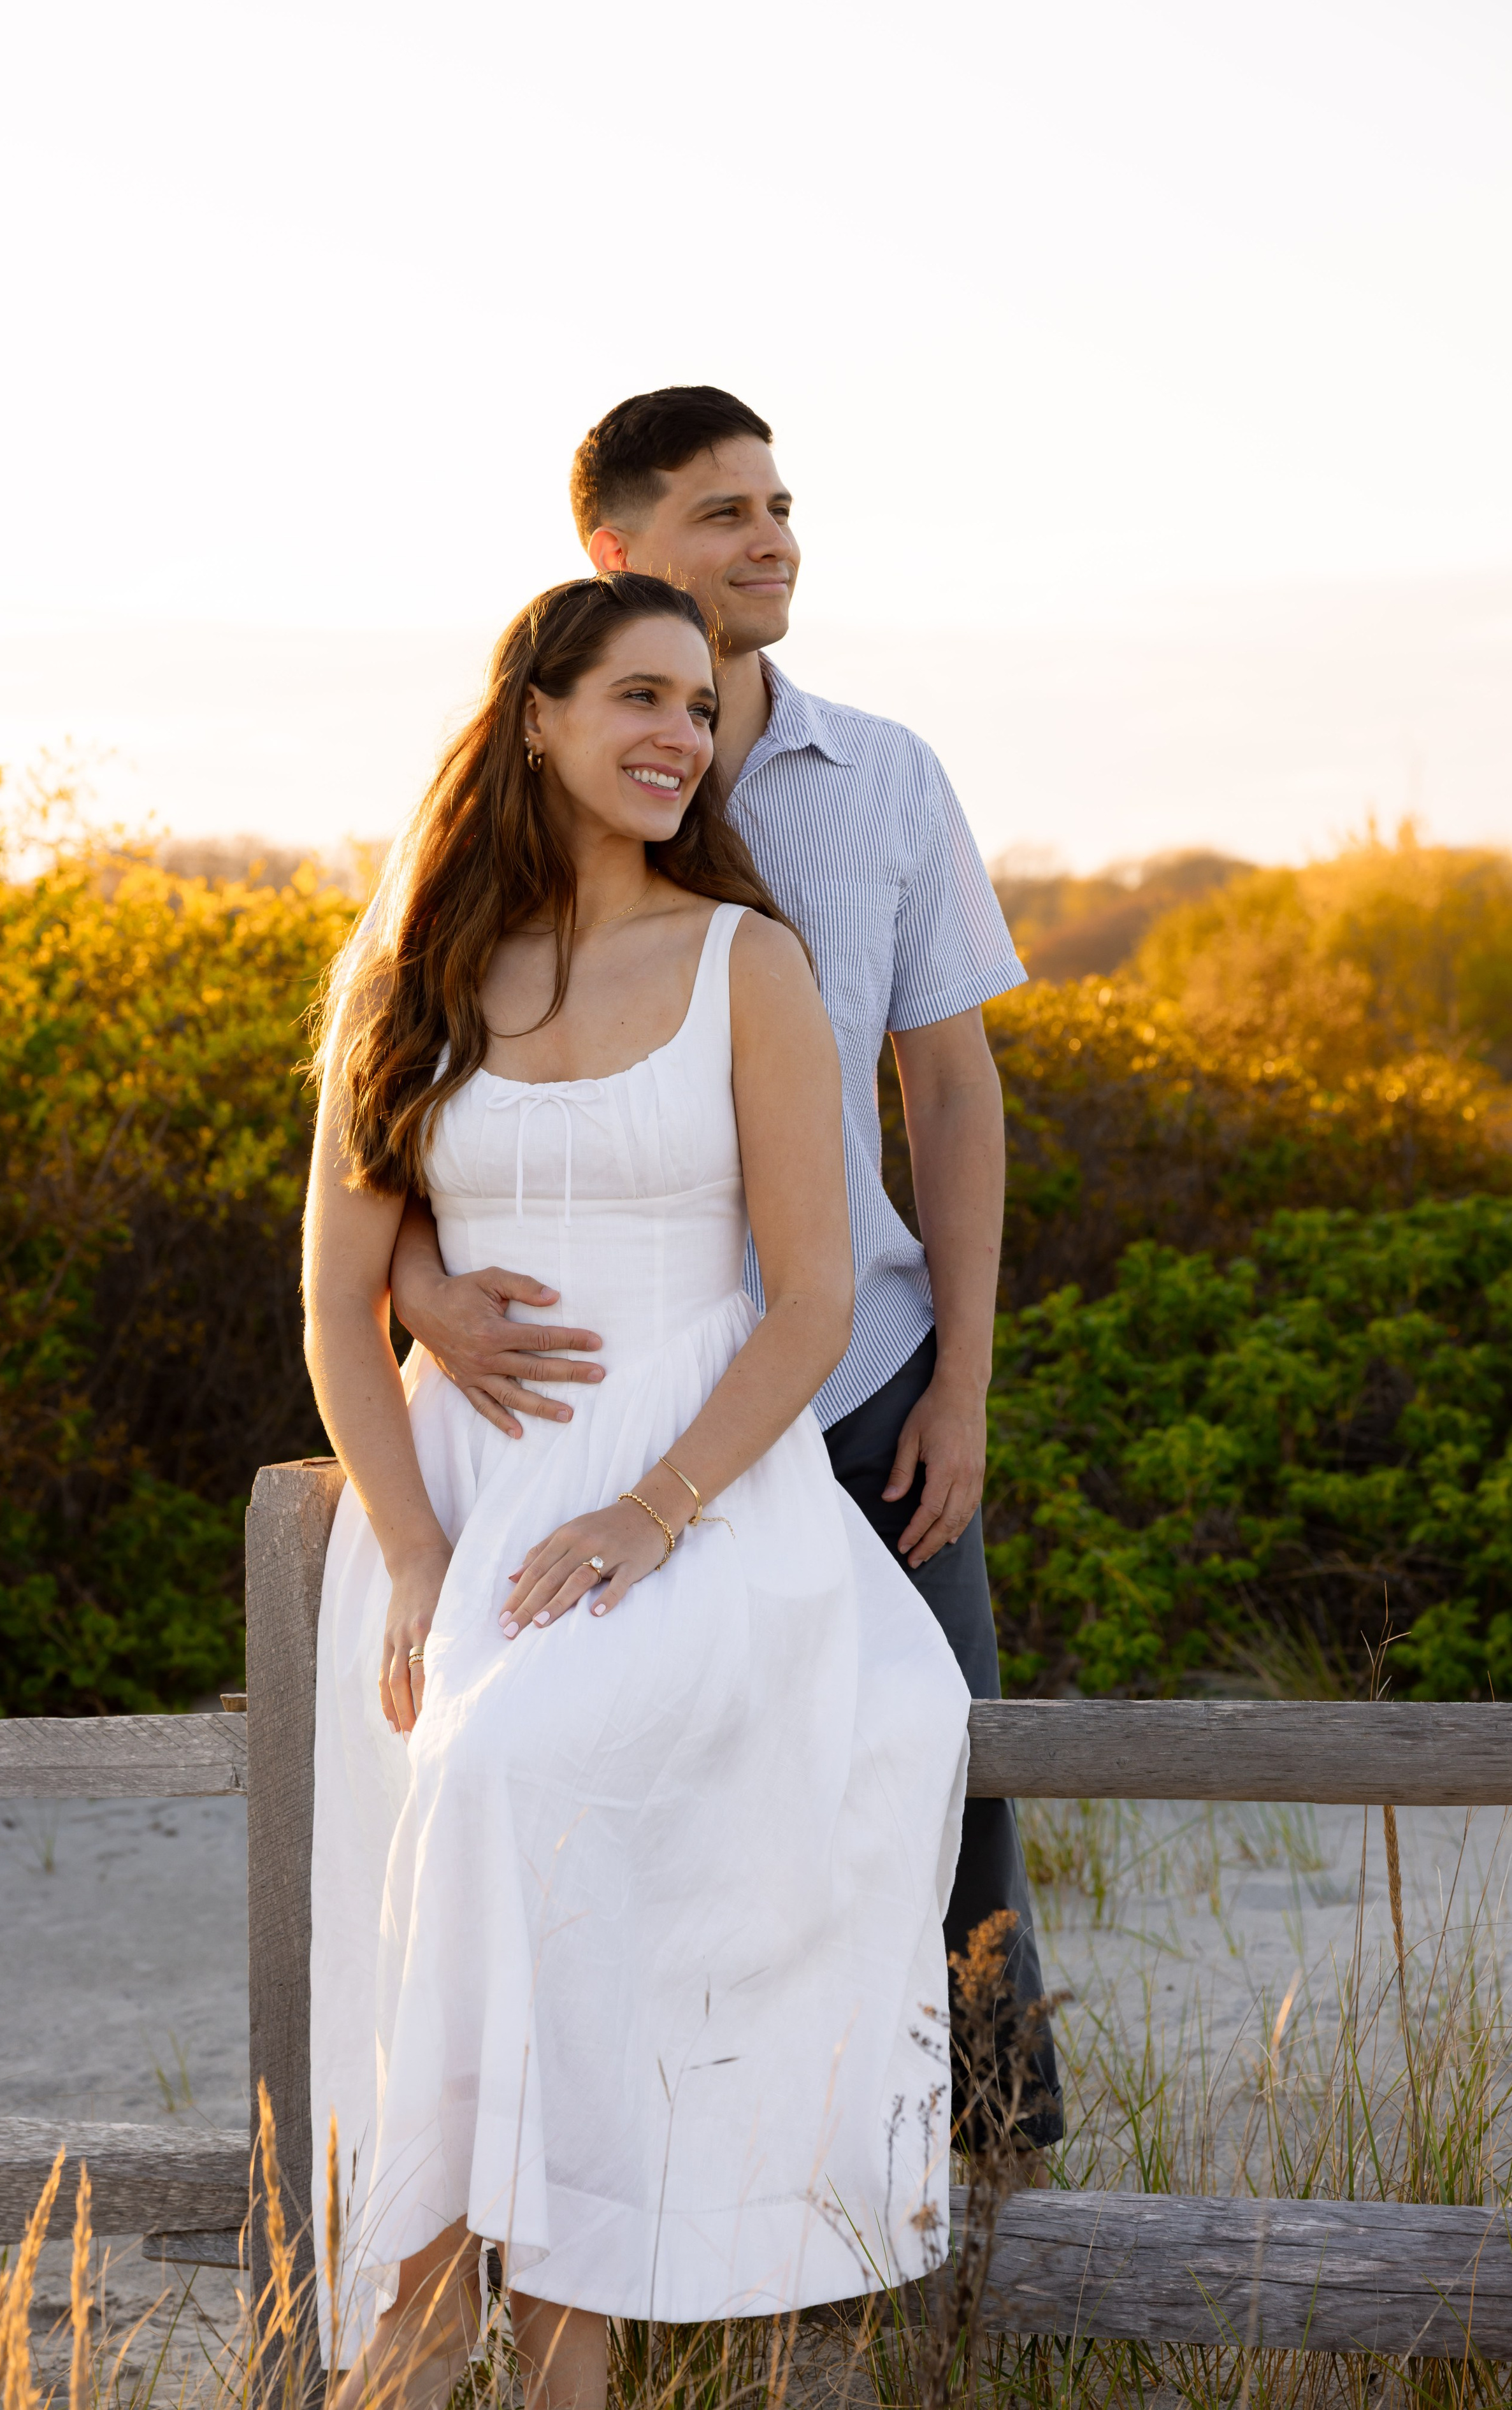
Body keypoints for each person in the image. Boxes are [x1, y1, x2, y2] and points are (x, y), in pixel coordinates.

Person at [305, 572, 970, 2410]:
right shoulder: (416, 976)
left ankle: (442, 2317)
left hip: (702, 1491)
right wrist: (425, 1559)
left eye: (701, 702)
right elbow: (337, 1301)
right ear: (538, 716)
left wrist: (649, 1514)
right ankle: (521, 2349)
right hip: (464, 1504)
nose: (683, 733)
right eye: (640, 698)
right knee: (494, 1823)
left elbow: (816, 1297)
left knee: (527, 1780)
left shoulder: (746, 962)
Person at [387, 388, 1062, 2152]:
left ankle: (974, 2198)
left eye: (782, 505)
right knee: (657, 1798)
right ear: (614, 555)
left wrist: (966, 1387)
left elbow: (952, 1092)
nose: (773, 540)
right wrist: (420, 1290)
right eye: (723, 513)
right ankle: (691, 2182)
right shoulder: (527, 801)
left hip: (857, 1388)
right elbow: (402, 1091)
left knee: (935, 1785)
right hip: (620, 1400)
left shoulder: (889, 777)